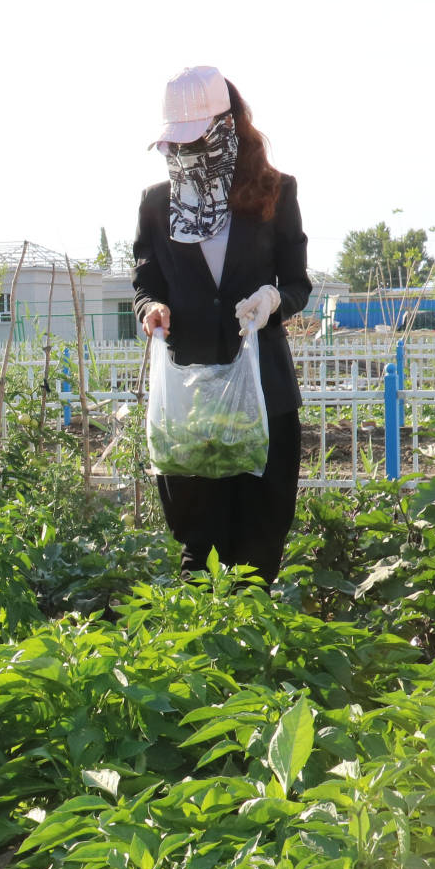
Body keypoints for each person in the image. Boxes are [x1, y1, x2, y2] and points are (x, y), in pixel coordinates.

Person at [132, 65, 311, 580]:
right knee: (199, 550)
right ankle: (201, 654)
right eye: (179, 143)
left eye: (197, 140)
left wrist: (273, 298)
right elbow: (145, 283)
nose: (187, 154)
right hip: (191, 401)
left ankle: (254, 652)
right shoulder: (157, 204)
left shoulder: (276, 192)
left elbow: (299, 283)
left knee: (260, 544)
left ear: (226, 128)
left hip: (263, 394)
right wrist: (151, 311)